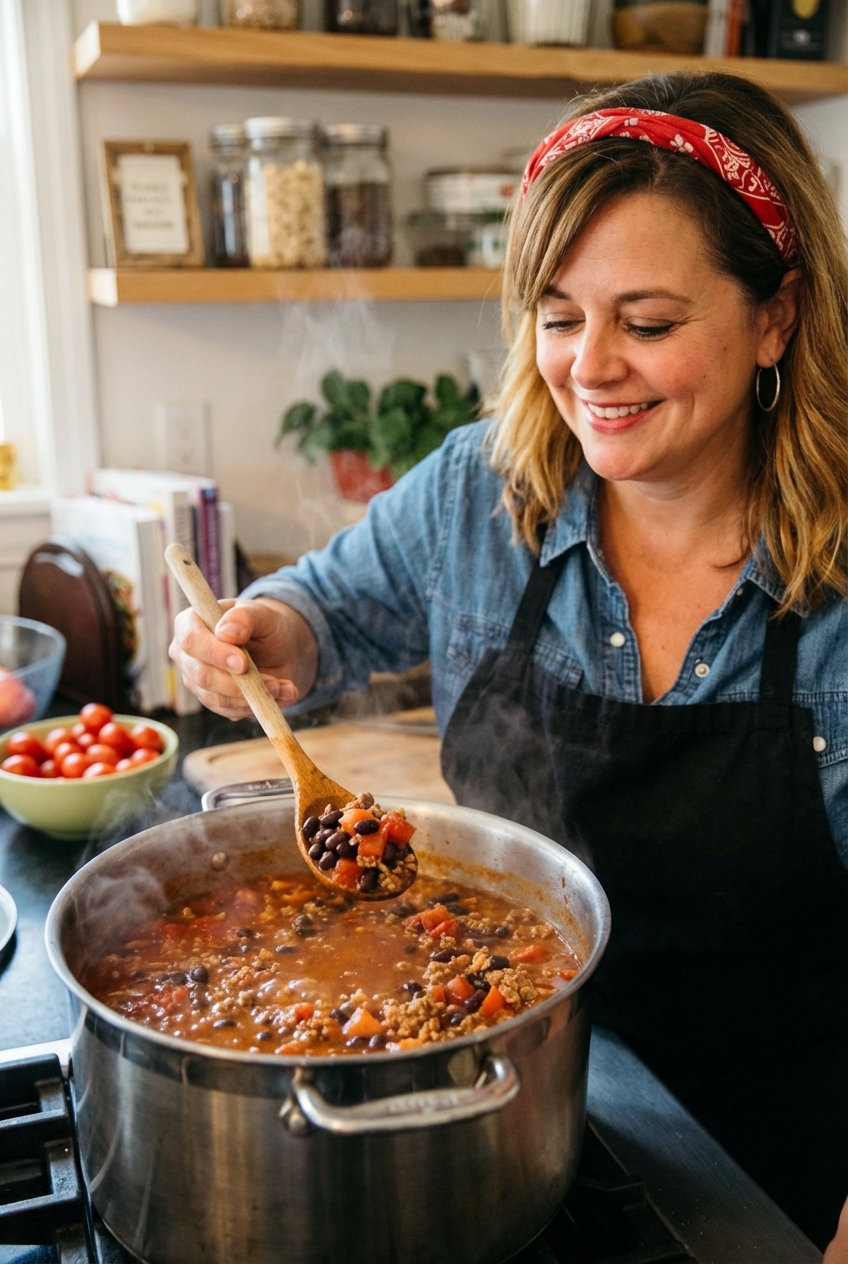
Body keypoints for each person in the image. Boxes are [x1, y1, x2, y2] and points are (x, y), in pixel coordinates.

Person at [171, 72, 848, 1252]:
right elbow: (317, 607)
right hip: (495, 1110)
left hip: (774, 1177)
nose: (588, 368)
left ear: (774, 317)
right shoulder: (482, 491)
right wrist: (265, 633)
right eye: (555, 314)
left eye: (645, 323)